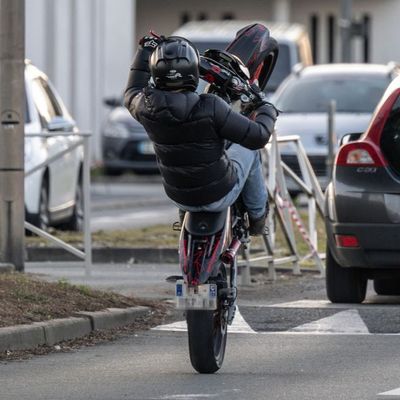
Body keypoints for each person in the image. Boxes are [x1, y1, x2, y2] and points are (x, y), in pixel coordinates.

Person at [124, 35, 277, 235]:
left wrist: (144, 50)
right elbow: (258, 137)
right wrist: (267, 109)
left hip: (178, 197)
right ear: (193, 70)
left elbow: (131, 91)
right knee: (249, 150)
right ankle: (258, 220)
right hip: (220, 195)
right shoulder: (211, 106)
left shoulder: (145, 106)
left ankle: (183, 217)